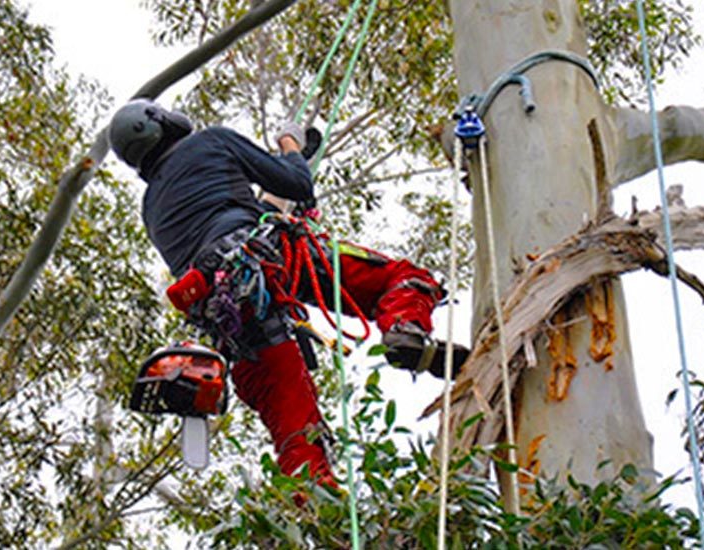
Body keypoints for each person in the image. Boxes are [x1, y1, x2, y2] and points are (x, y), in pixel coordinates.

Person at [109, 99, 468, 486]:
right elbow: (297, 184)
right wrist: (290, 146)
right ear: (161, 122)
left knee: (298, 434)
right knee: (400, 277)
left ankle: (315, 514)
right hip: (270, 261)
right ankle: (404, 328)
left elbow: (232, 217)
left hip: (229, 319)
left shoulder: (151, 207)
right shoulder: (211, 142)